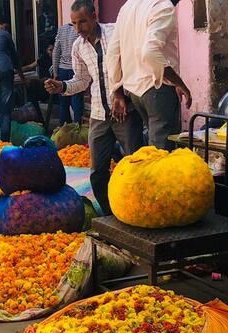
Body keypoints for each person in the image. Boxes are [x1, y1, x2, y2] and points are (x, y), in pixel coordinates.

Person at [46, 0, 142, 216]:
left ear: (94, 16)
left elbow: (134, 65)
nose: (78, 29)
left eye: (82, 22)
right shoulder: (78, 46)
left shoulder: (115, 32)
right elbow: (81, 80)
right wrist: (62, 86)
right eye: (74, 24)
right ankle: (111, 216)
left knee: (135, 167)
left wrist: (125, 96)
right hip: (99, 114)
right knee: (98, 173)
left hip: (125, 112)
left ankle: (137, 212)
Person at [106, 0, 191, 150]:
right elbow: (150, 52)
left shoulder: (128, 6)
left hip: (134, 91)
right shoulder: (163, 6)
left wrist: (117, 90)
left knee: (148, 149)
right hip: (157, 89)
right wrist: (179, 82)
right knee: (162, 152)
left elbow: (113, 52)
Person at [52, 22, 84, 124]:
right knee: (77, 102)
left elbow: (56, 51)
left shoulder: (61, 29)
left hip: (62, 70)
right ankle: (78, 129)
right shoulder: (80, 29)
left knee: (63, 104)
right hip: (76, 69)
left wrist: (55, 72)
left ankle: (64, 129)